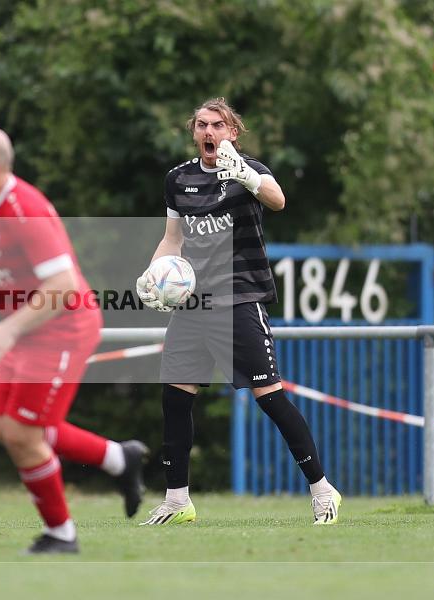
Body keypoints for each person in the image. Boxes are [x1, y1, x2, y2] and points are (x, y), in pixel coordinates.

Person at [135, 98, 341, 526]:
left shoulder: (251, 170)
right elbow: (173, 240)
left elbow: (278, 200)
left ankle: (323, 490)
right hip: (194, 306)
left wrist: (245, 174)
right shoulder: (179, 179)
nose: (209, 132)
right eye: (202, 126)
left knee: (271, 400)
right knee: (175, 399)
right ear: (194, 133)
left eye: (219, 125)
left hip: (241, 300)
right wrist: (155, 272)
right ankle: (178, 500)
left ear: (233, 133)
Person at [0, 127, 148, 554]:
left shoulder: (26, 209)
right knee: (8, 428)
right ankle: (119, 458)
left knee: (23, 433)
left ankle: (62, 535)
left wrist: (7, 328)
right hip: (28, 329)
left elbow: (63, 284)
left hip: (62, 328)